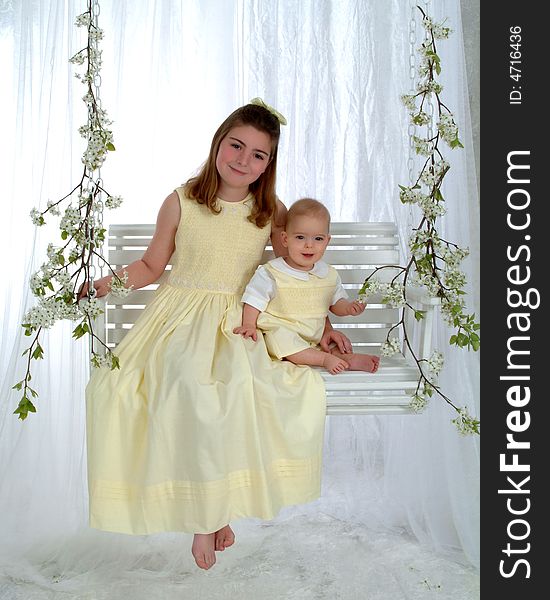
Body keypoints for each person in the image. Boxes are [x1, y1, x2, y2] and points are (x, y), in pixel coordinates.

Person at [81, 99, 352, 571]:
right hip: (180, 317)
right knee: (188, 388)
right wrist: (103, 284)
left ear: (269, 163)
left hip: (240, 322)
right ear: (218, 143)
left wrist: (323, 327)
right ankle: (211, 513)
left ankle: (214, 514)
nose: (244, 160)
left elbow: (296, 277)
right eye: (236, 146)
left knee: (243, 390)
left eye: (259, 155)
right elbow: (149, 266)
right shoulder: (182, 200)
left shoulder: (271, 210)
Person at [233, 198, 380, 375]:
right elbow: (254, 300)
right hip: (282, 330)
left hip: (316, 335)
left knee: (332, 342)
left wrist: (349, 308)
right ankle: (324, 359)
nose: (309, 245)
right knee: (282, 340)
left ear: (327, 241)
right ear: (285, 239)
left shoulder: (328, 274)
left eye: (318, 238)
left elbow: (335, 303)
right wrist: (249, 324)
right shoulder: (273, 272)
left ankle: (345, 358)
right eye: (300, 237)